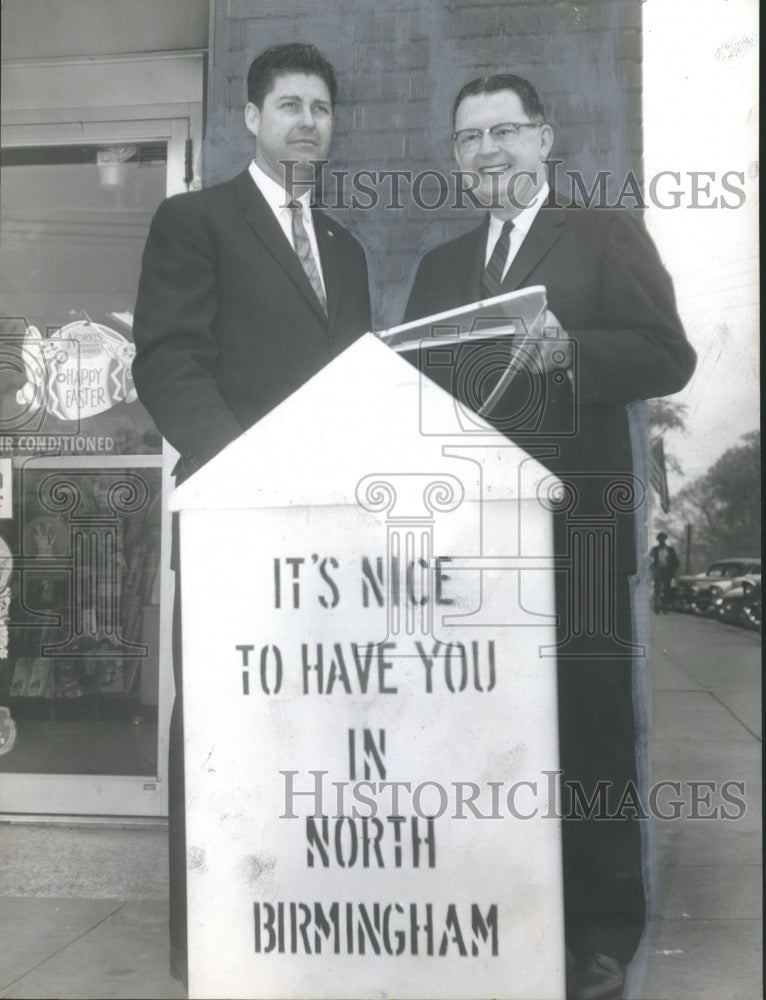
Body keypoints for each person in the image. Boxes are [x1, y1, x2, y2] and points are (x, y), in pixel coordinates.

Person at [404, 74, 696, 1000]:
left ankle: (601, 938)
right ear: (455, 159)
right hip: (473, 541)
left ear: (544, 140)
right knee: (479, 731)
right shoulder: (440, 267)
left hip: (582, 530)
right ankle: (498, 917)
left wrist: (577, 350)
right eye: (468, 138)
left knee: (591, 732)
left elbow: (668, 352)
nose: (487, 151)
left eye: (504, 131)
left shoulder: (606, 235)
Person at [131, 43, 371, 987]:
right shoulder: (194, 221)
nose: (306, 122)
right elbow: (169, 361)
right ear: (250, 118)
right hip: (236, 521)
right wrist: (249, 474)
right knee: (226, 731)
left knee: (312, 727)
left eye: (320, 107)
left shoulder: (346, 249)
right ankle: (210, 936)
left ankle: (298, 921)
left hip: (330, 539)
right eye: (288, 106)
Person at [649, 532, 680, 613]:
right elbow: (650, 562)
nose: (661, 540)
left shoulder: (670, 550)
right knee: (657, 590)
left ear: (665, 539)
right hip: (658, 572)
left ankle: (665, 608)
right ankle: (657, 607)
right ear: (658, 540)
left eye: (663, 539)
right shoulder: (654, 550)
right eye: (660, 539)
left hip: (667, 572)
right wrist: (653, 570)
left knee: (666, 590)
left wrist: (674, 571)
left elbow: (676, 562)